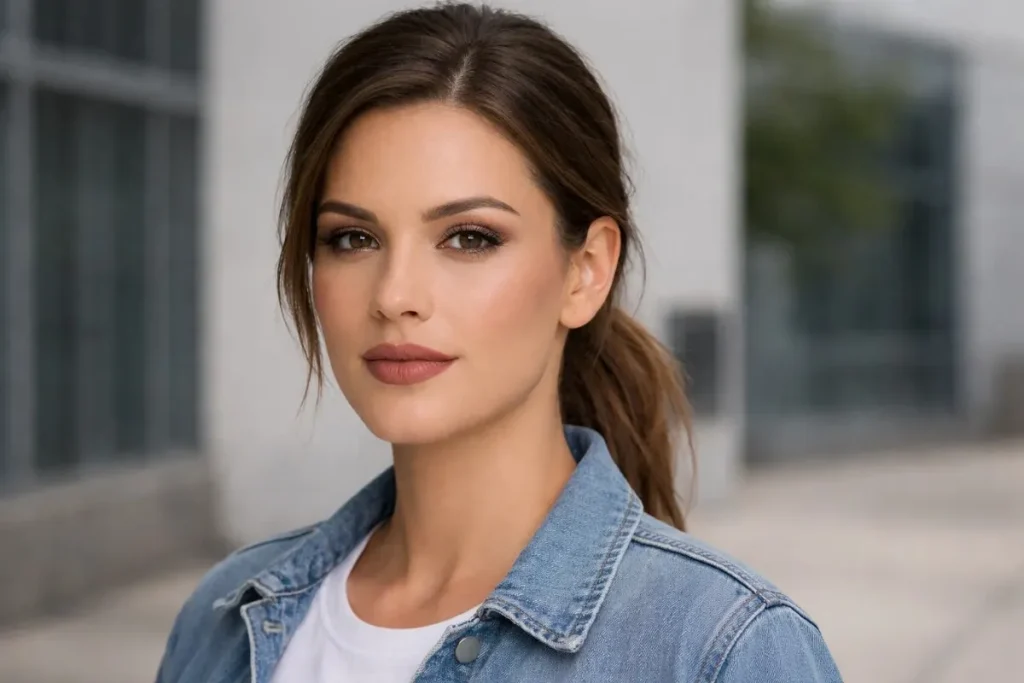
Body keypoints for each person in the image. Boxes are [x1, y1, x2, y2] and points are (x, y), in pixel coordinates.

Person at [156, 3, 842, 682]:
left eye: (469, 237)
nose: (395, 294)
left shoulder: (723, 650)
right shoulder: (224, 618)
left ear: (587, 270)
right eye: (352, 238)